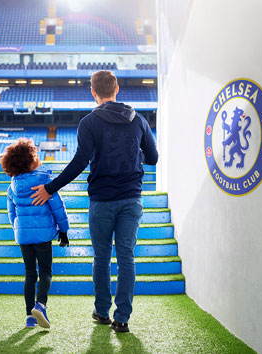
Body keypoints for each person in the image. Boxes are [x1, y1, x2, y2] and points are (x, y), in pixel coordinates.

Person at [30, 70, 158, 333]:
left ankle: (102, 312)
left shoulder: (89, 122)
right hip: (132, 199)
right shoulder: (139, 120)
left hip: (101, 201)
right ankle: (122, 318)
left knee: (101, 257)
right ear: (117, 89)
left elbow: (79, 162)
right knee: (126, 258)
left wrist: (50, 188)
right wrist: (133, 154)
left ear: (93, 92)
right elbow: (153, 158)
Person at [1, 138, 70, 329]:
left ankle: (29, 317)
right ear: (29, 161)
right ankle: (40, 304)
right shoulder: (45, 182)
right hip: (43, 236)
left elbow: (11, 213)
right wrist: (63, 231)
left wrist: (19, 229)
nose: (39, 158)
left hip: (23, 236)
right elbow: (58, 208)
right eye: (35, 155)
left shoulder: (12, 187)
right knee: (46, 271)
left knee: (30, 274)